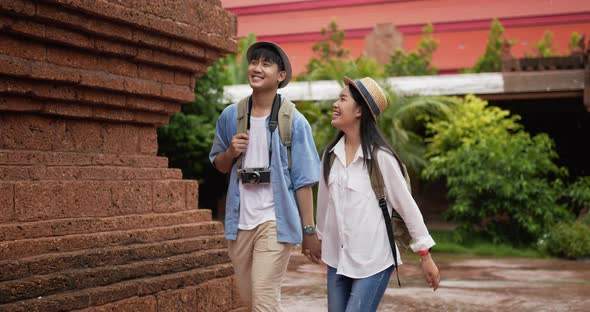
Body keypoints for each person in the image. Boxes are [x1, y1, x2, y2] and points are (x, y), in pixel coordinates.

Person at [209, 41, 321, 311]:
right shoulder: (231, 116)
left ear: (280, 76)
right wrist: (231, 152)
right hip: (239, 222)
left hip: (275, 221)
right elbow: (219, 164)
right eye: (254, 62)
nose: (256, 68)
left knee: (264, 298)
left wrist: (309, 231)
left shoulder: (294, 121)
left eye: (266, 64)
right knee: (249, 299)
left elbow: (304, 182)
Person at [315, 77, 440, 312]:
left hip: (374, 260)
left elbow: (408, 207)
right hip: (337, 259)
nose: (335, 104)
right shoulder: (330, 156)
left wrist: (425, 256)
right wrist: (316, 237)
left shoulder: (382, 158)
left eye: (342, 99)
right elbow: (323, 205)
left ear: (360, 110)